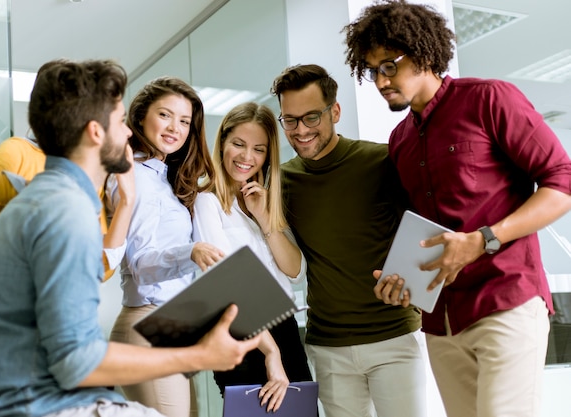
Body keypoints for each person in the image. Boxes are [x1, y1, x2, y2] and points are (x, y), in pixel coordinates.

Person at [0, 58, 261, 417]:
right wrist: (202, 355)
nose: (129, 132)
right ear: (95, 133)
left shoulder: (57, 198)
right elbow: (77, 360)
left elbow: (94, 282)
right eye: (121, 122)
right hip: (28, 406)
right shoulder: (63, 208)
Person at [343, 1, 571, 416]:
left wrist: (484, 240)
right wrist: (400, 280)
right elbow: (419, 231)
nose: (380, 81)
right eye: (372, 70)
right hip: (442, 320)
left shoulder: (488, 99)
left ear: (424, 54)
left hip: (505, 301)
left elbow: (562, 181)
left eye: (389, 65)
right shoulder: (400, 142)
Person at [270, 64, 425, 417]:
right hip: (328, 347)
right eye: (289, 120)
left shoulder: (381, 161)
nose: (301, 130)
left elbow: (425, 232)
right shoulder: (282, 183)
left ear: (335, 111)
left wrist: (412, 284)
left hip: (394, 336)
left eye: (311, 117)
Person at [105, 76, 224, 417]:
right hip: (148, 323)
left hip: (169, 324)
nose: (176, 127)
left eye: (185, 121)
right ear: (141, 116)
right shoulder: (135, 176)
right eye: (165, 115)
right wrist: (191, 251)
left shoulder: (160, 178)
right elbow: (141, 264)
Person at [192, 102, 313, 412]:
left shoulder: (262, 203)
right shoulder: (208, 203)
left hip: (285, 328)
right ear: (222, 144)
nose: (247, 157)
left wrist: (263, 217)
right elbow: (225, 284)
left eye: (258, 149)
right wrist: (271, 354)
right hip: (244, 337)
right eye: (239, 144)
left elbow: (296, 271)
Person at [0, 133, 134, 282]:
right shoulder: (19, 149)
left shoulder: (89, 169)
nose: (127, 131)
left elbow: (101, 268)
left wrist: (127, 201)